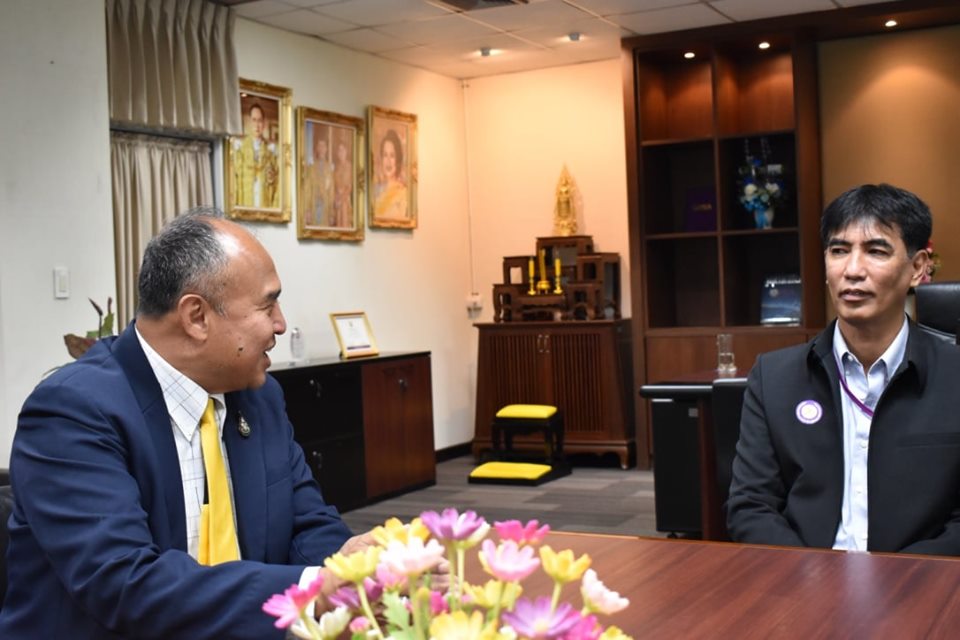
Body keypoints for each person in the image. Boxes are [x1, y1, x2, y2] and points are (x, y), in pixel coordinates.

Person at [0, 209, 376, 638]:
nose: (280, 323)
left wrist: (349, 567)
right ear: (196, 316)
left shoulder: (259, 397)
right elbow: (124, 583)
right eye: (267, 304)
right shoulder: (73, 411)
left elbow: (305, 523)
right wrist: (313, 589)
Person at [727, 183, 960, 555]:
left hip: (919, 579)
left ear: (917, 268)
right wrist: (813, 575)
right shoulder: (774, 377)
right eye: (838, 251)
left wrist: (900, 577)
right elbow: (751, 506)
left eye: (876, 251)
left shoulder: (953, 375)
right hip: (802, 577)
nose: (852, 270)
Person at [232, 102, 280, 209]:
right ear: (249, 121)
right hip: (245, 205)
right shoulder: (240, 149)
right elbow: (234, 181)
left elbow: (277, 184)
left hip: (265, 206)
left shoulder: (271, 151)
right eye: (254, 120)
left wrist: (274, 209)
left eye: (260, 120)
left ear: (264, 123)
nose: (257, 125)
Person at [373, 128, 408, 220]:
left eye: (392, 155)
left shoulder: (403, 193)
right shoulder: (375, 190)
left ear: (398, 159)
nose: (388, 161)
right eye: (385, 155)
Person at [305, 126, 333, 226]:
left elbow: (331, 191)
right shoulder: (311, 168)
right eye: (319, 146)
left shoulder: (329, 168)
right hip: (314, 206)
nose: (321, 149)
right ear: (316, 148)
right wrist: (307, 209)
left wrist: (331, 213)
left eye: (323, 146)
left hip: (325, 208)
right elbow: (308, 189)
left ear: (326, 148)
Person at [332, 131, 353, 228]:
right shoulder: (336, 168)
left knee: (345, 225)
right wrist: (336, 198)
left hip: (345, 201)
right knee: (338, 225)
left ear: (346, 151)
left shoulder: (349, 167)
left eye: (342, 150)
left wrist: (341, 198)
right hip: (337, 201)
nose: (341, 153)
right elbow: (334, 186)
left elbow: (350, 187)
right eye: (339, 150)